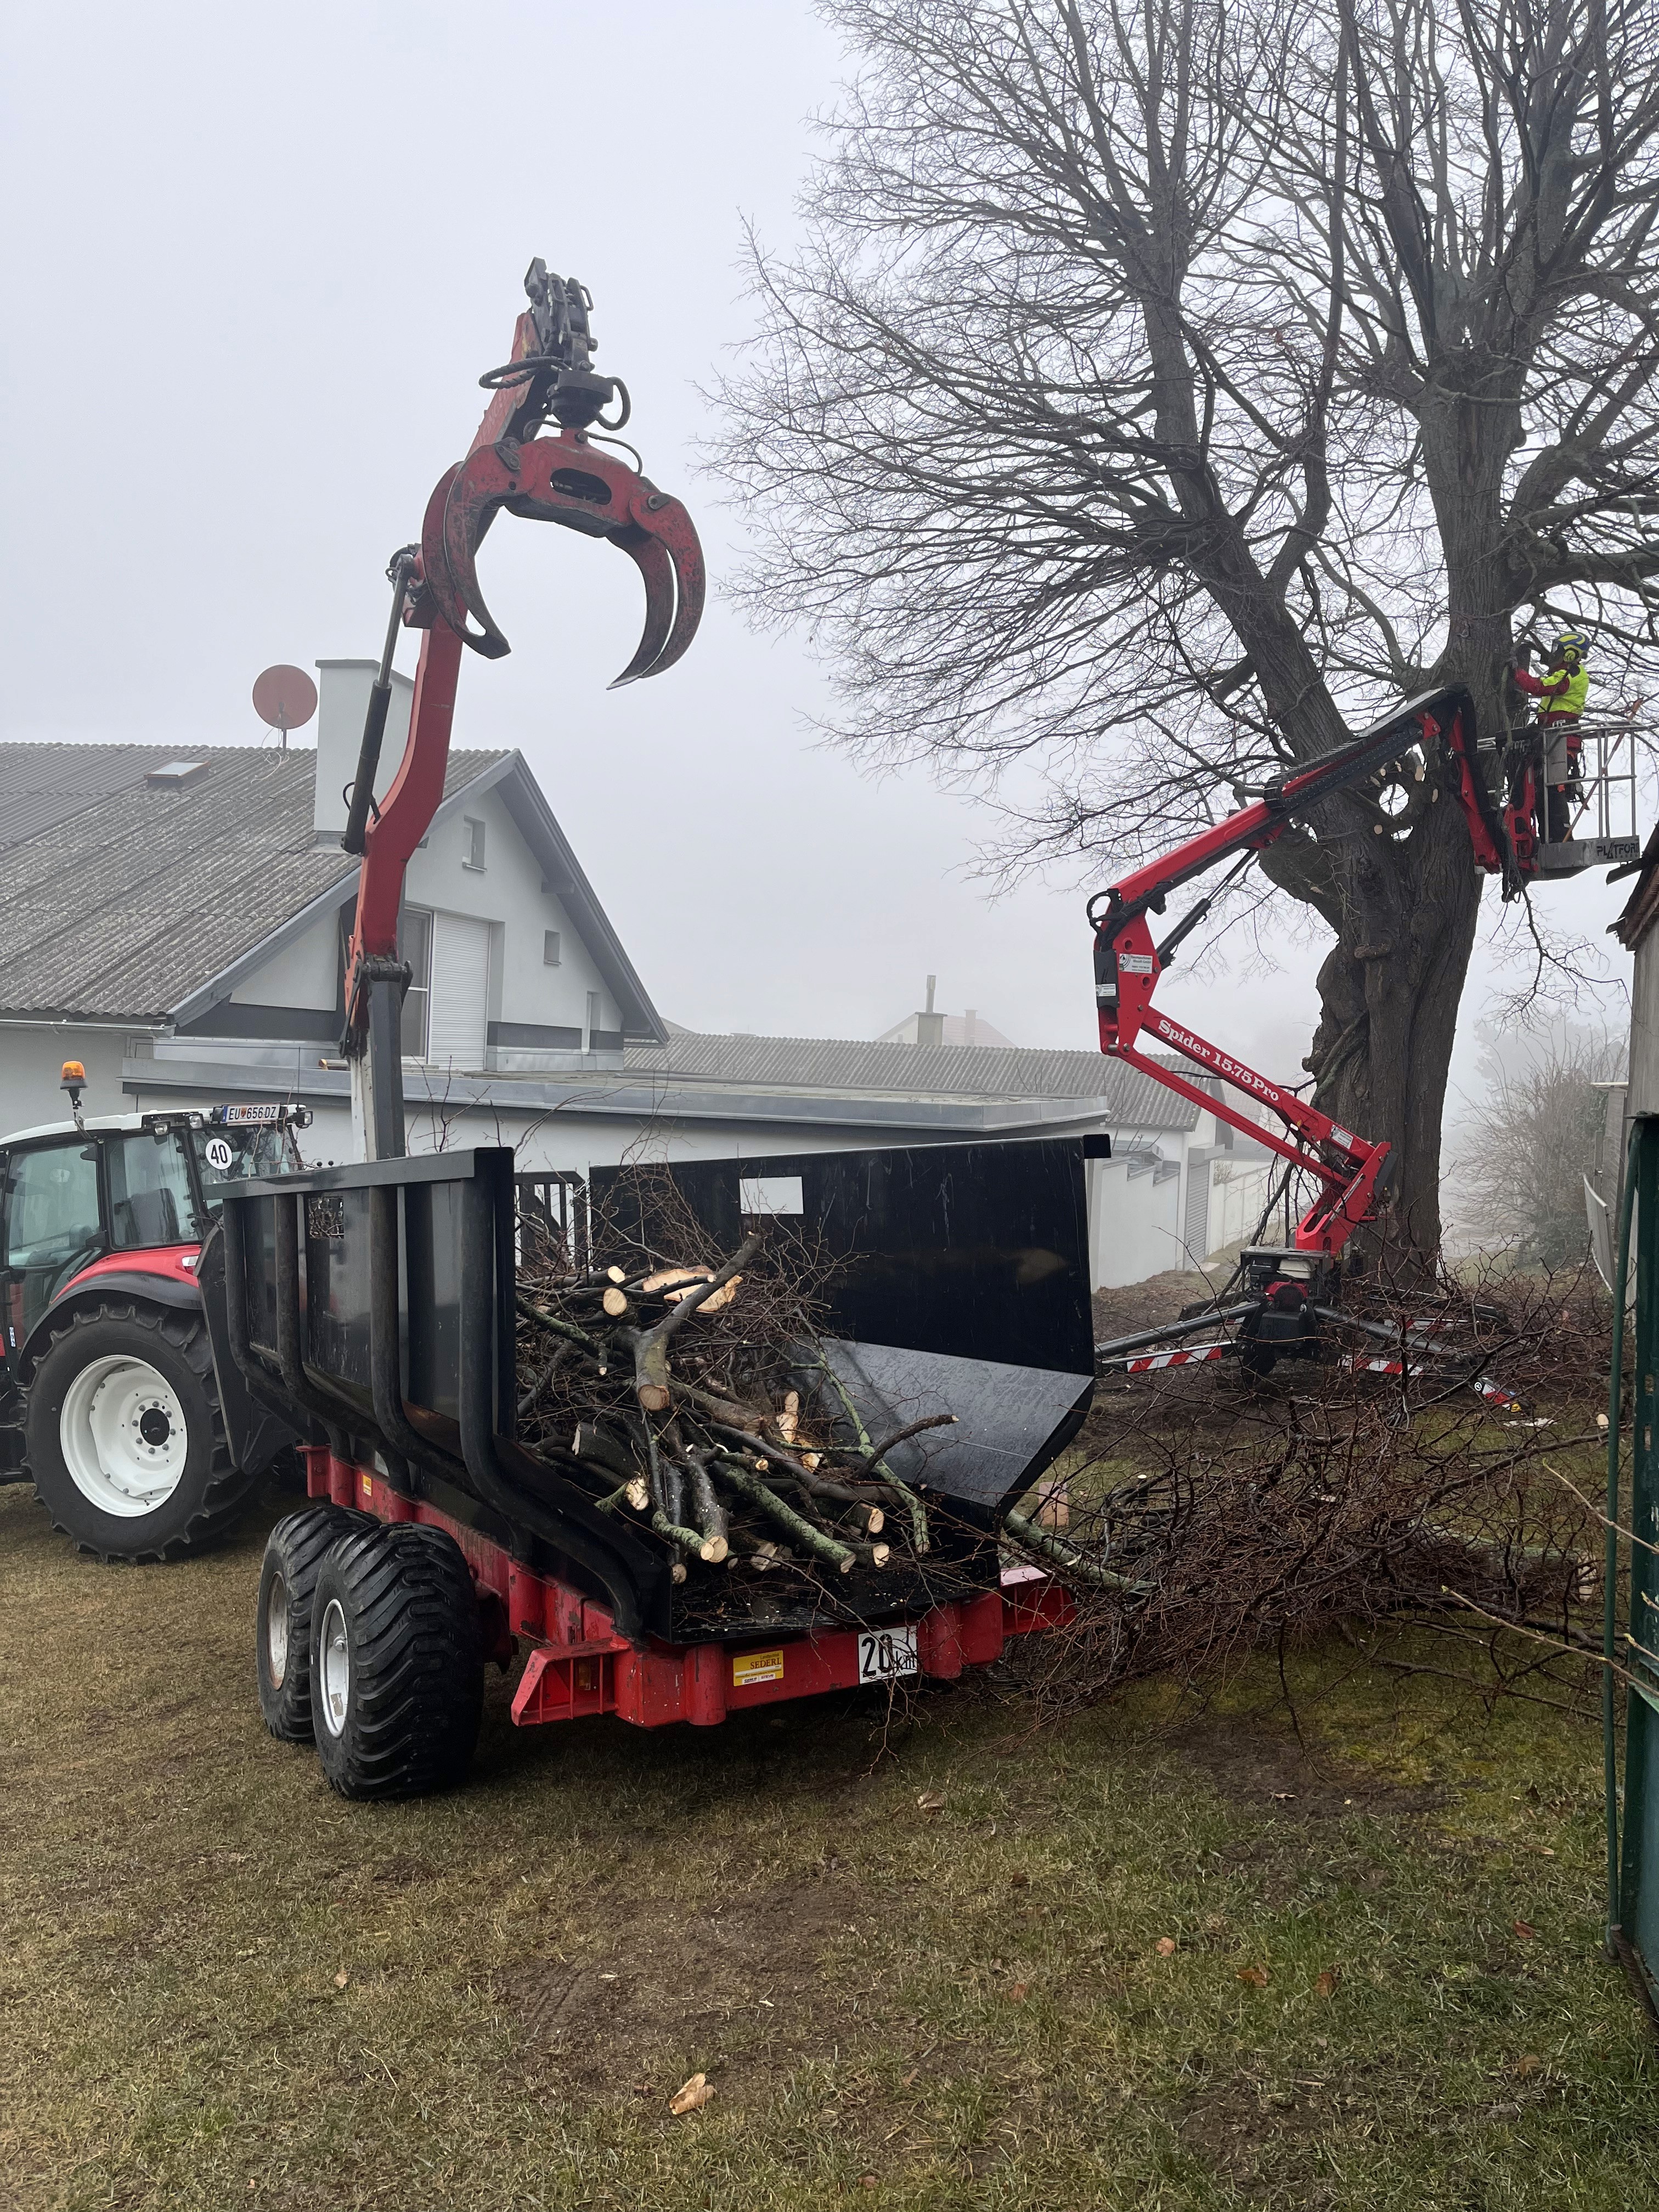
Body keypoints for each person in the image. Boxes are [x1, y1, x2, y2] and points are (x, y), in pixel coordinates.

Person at [1512, 630, 1591, 842]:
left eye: (1558, 650)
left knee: (1554, 789)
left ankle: (1561, 840)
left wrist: (1517, 673)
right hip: (1549, 738)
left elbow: (1541, 687)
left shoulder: (1572, 674)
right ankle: (1546, 839)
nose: (1554, 654)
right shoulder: (1564, 673)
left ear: (1570, 654)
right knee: (1539, 789)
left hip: (1562, 740)